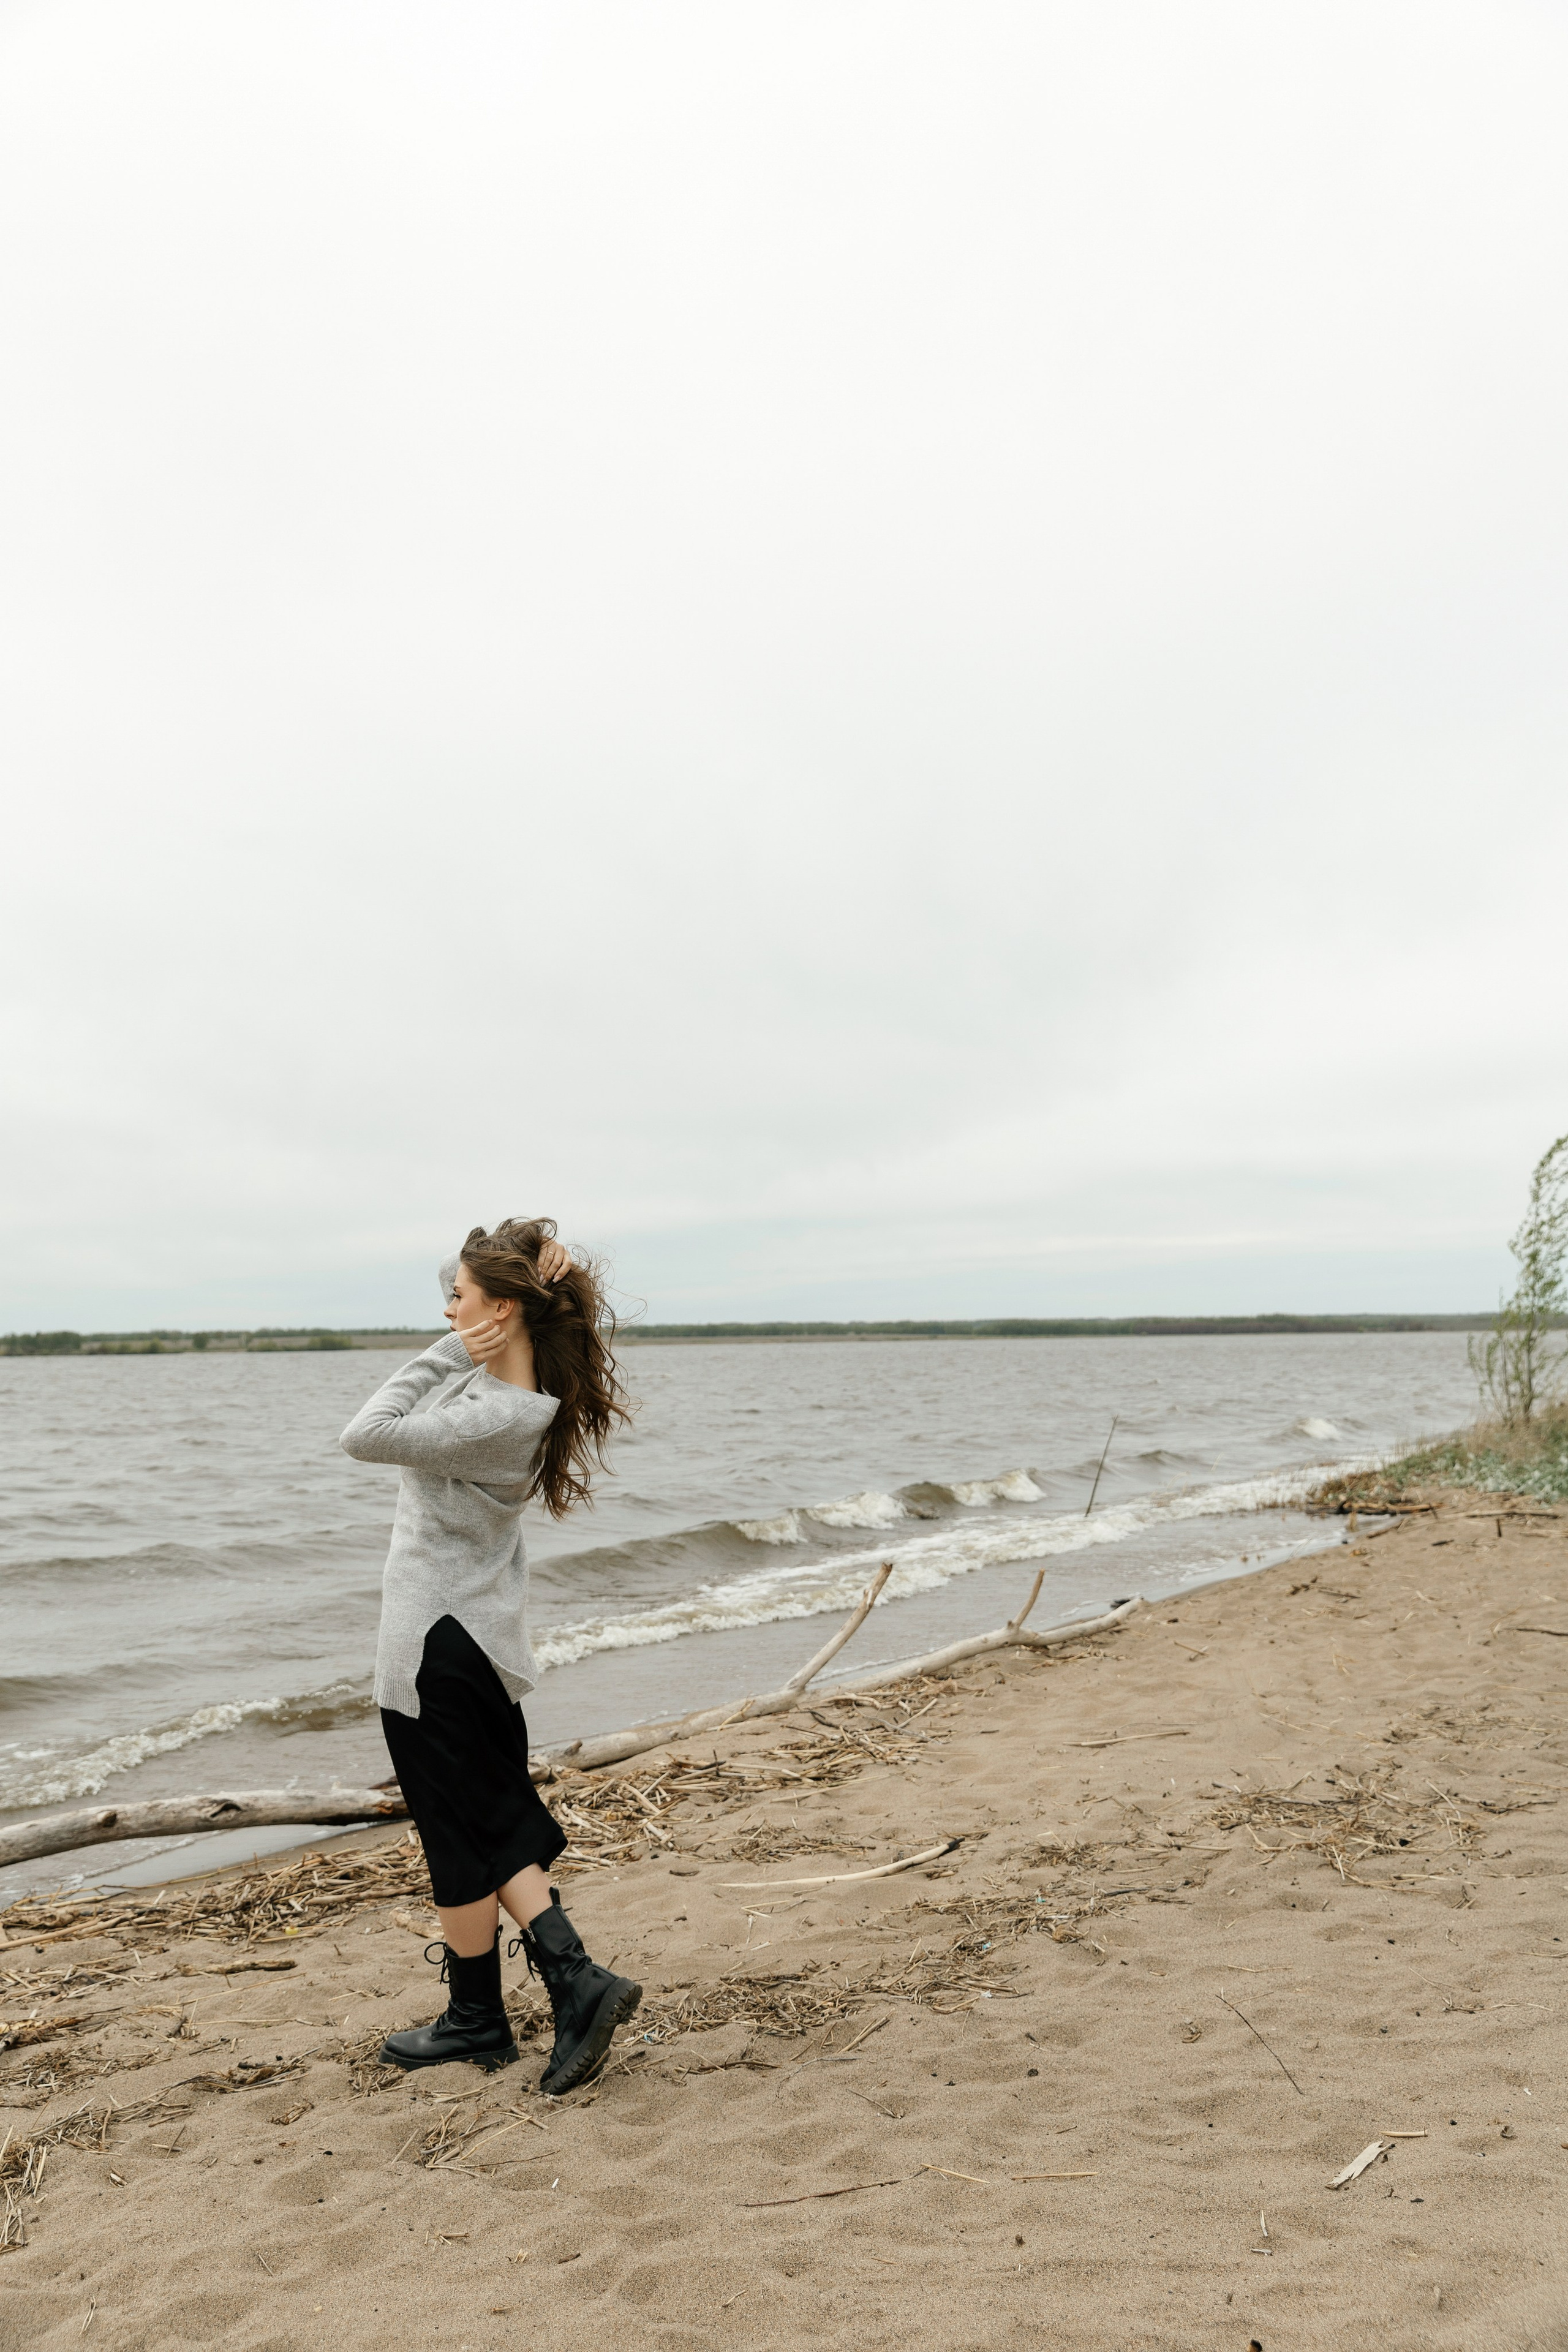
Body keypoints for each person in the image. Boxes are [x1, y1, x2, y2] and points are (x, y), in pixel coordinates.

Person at [339, 1216, 639, 2092]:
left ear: (499, 1313)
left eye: (461, 1299)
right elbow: (479, 1283)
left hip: (436, 1646)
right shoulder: (526, 1387)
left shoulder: (486, 1415)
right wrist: (550, 1270)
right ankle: (476, 2016)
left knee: (480, 1827)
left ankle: (576, 1980)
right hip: (471, 1639)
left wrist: (447, 1348)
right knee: (462, 1831)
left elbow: (363, 1433)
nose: (447, 1304)